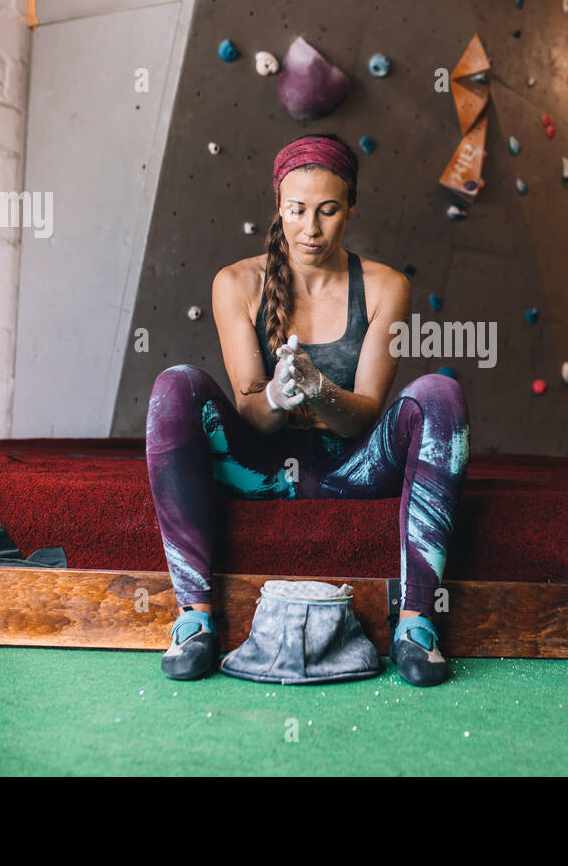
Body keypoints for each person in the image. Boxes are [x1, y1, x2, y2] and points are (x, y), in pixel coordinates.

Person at [144, 132, 470, 687]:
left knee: (441, 393)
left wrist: (319, 389)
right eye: (296, 211)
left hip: (352, 470)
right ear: (278, 206)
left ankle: (417, 625)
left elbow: (366, 415)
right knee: (175, 385)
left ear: (351, 210)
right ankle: (194, 620)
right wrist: (274, 395)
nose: (310, 229)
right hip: (260, 471)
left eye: (328, 211)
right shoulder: (237, 282)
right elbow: (248, 411)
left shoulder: (387, 286)